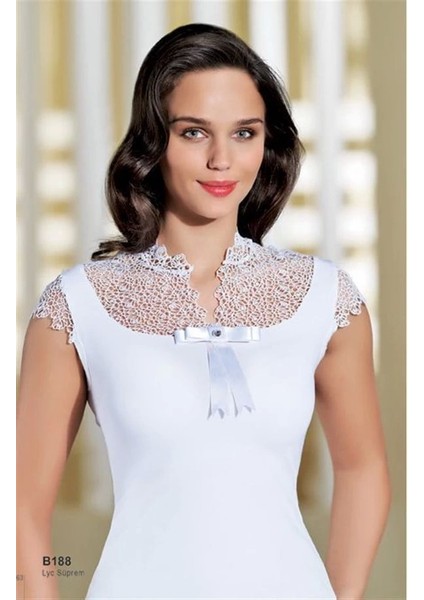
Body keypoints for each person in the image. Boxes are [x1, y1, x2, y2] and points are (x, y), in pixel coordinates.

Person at [17, 22, 391, 600]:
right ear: (152, 140)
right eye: (194, 132)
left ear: (267, 143)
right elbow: (19, 504)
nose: (222, 159)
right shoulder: (77, 306)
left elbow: (362, 469)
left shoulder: (326, 299)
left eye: (244, 133)